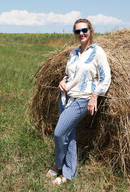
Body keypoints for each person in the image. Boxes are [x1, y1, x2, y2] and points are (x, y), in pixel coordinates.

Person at [45, 18, 111, 185]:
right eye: (77, 31)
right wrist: (62, 80)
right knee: (69, 134)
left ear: (90, 31)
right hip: (66, 98)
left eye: (84, 30)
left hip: (82, 99)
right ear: (74, 34)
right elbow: (69, 75)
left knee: (59, 133)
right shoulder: (73, 53)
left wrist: (95, 96)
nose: (81, 33)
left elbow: (106, 78)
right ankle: (68, 174)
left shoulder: (98, 52)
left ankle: (57, 164)